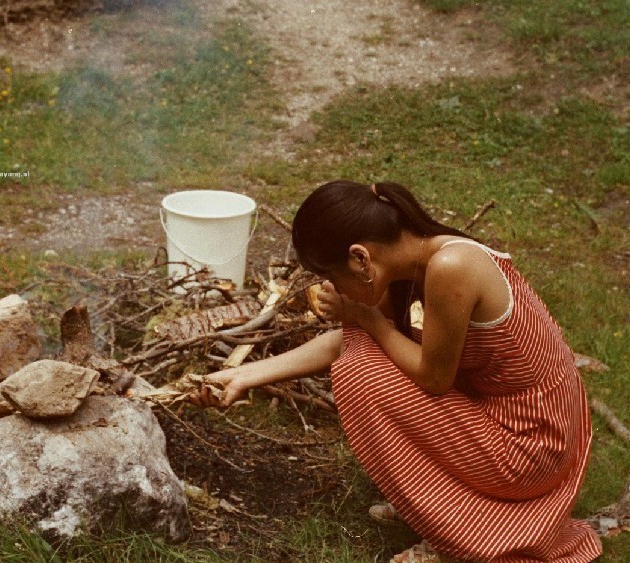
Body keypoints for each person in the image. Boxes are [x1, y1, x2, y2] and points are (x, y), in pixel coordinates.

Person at [193, 180, 602, 562]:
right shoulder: (417, 257)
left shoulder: (452, 266)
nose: (331, 287)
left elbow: (432, 378)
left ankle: (454, 527)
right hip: (522, 420)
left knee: (358, 374)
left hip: (533, 445)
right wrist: (245, 375)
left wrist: (367, 319)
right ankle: (442, 502)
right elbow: (351, 340)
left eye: (331, 276)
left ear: (359, 257)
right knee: (360, 355)